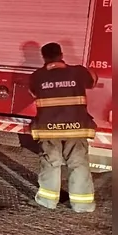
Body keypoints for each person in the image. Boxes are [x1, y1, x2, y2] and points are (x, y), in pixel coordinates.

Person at [28, 42, 97, 213]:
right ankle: (82, 205)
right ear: (61, 54)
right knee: (79, 164)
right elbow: (93, 81)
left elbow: (33, 92)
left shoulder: (37, 76)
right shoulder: (78, 72)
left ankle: (47, 201)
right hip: (76, 128)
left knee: (51, 163)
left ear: (43, 57)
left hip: (49, 129)